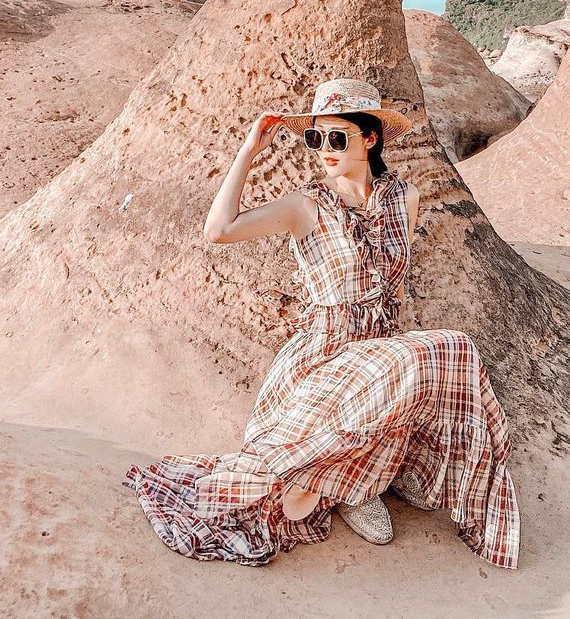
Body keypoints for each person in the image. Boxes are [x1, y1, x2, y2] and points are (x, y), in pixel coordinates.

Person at [122, 76, 521, 569]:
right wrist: (248, 151)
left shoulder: (406, 198)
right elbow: (218, 230)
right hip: (323, 355)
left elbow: (393, 287)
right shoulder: (305, 205)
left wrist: (396, 355)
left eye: (337, 137)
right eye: (315, 137)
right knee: (449, 346)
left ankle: (378, 469)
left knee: (441, 355)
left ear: (370, 138)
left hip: (378, 353)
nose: (324, 150)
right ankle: (351, 486)